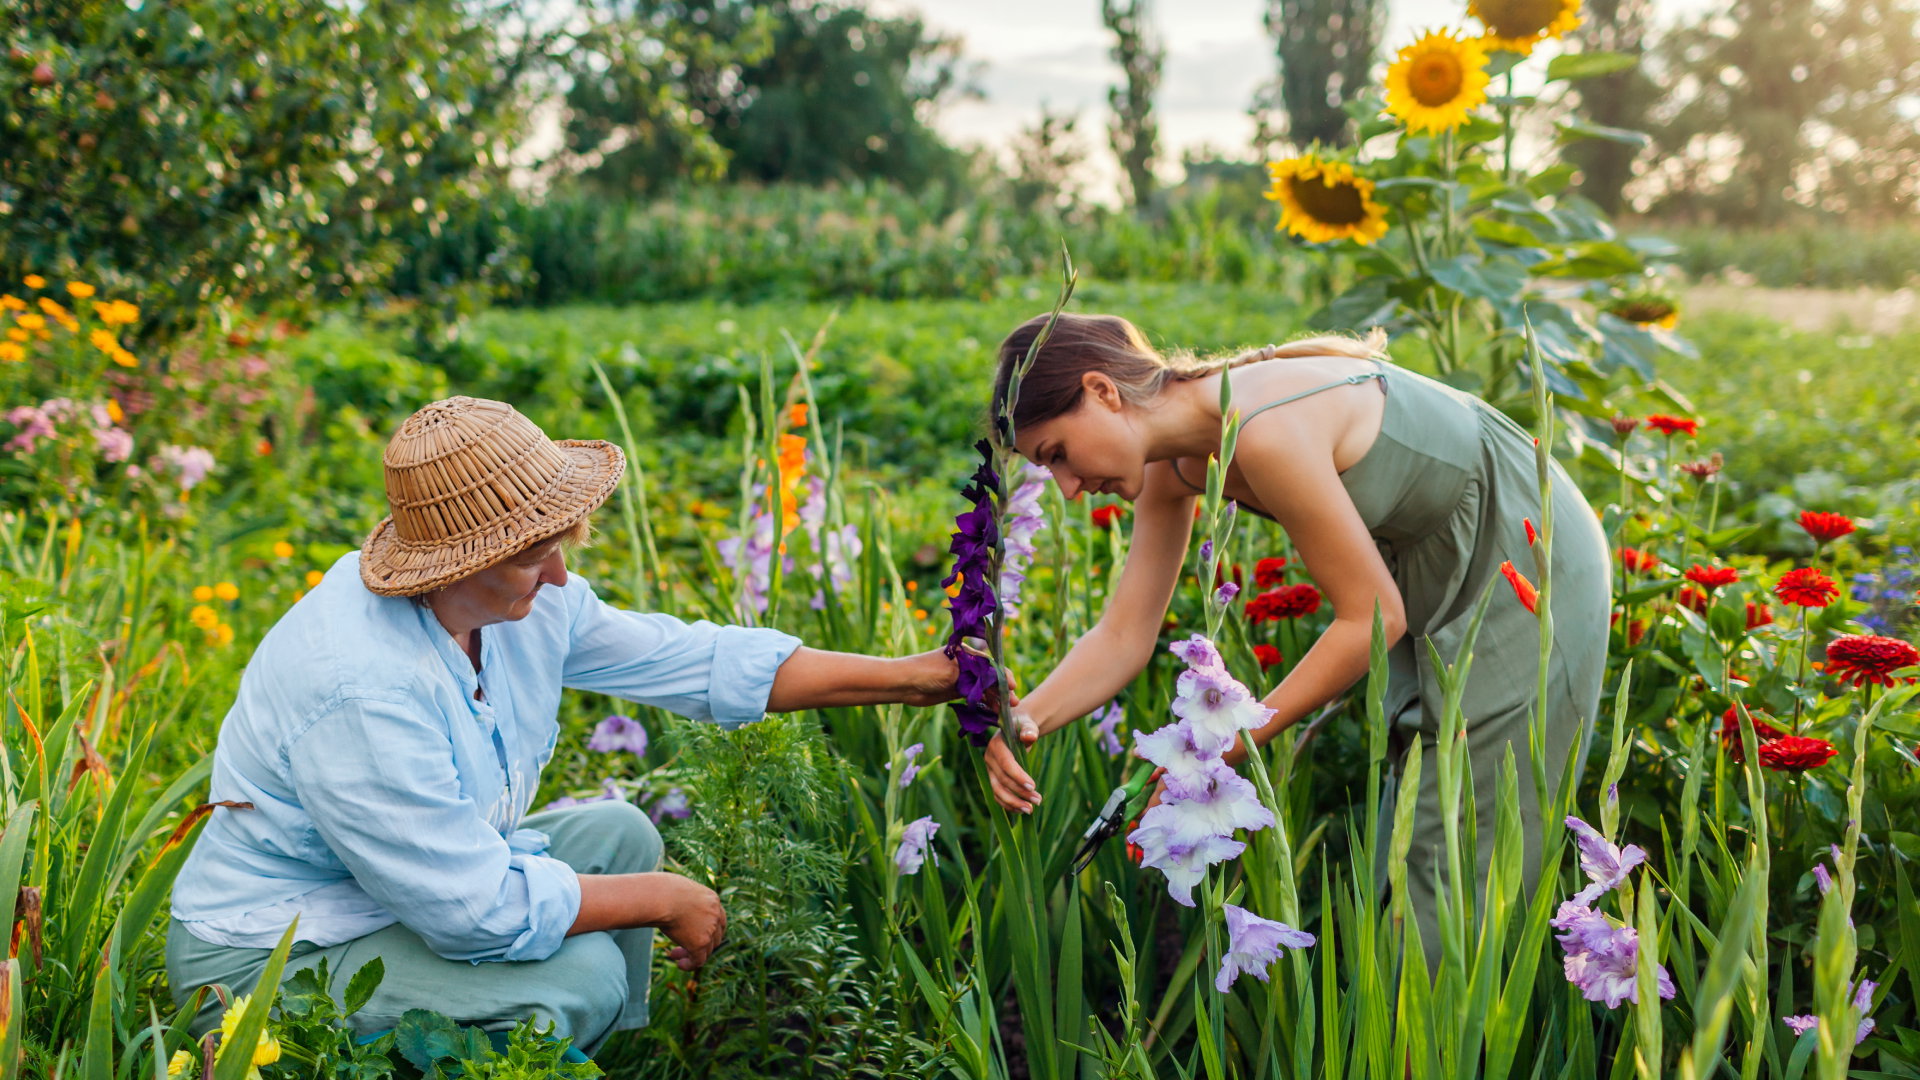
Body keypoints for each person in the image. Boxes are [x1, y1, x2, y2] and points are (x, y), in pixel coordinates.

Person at [168, 396, 958, 1050]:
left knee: (620, 832)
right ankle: (534, 1048)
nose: (559, 574)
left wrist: (913, 677)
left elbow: (694, 661)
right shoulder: (361, 688)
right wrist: (663, 898)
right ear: (455, 563)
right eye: (532, 554)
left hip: (388, 897)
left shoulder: (518, 601)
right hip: (273, 956)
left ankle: (584, 1059)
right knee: (581, 982)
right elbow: (472, 911)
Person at [981, 314, 1609, 960]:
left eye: (1057, 454)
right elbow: (1123, 634)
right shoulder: (1175, 467)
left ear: (1102, 390)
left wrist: (1225, 744)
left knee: (1459, 857)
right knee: (1415, 835)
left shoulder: (1263, 427)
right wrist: (1024, 720)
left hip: (1523, 555)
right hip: (1431, 562)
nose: (1068, 488)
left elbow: (1370, 619)